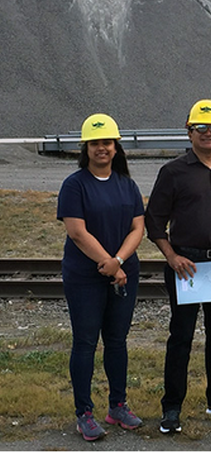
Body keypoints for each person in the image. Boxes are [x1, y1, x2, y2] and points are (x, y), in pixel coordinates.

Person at [145, 99, 211, 434]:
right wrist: (171, 257)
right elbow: (154, 222)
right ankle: (172, 407)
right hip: (185, 265)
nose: (208, 134)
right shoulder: (172, 172)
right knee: (181, 338)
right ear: (189, 132)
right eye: (201, 128)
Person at [57, 113, 145, 441]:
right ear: (86, 148)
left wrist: (119, 261)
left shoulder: (128, 184)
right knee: (85, 342)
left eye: (107, 142)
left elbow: (139, 227)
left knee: (117, 342)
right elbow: (77, 232)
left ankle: (117, 406)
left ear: (116, 146)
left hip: (123, 274)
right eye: (95, 143)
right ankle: (84, 413)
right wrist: (108, 262)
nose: (101, 149)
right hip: (85, 277)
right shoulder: (74, 185)